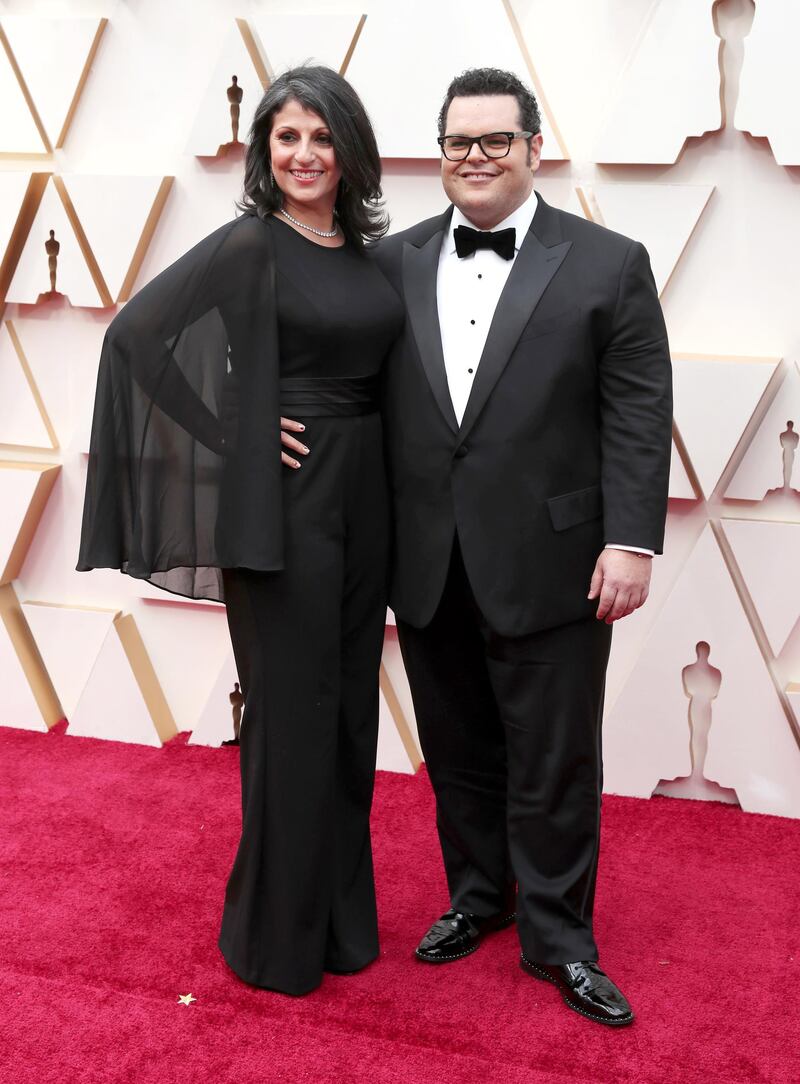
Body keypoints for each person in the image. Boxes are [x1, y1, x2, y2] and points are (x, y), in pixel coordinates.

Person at [77, 66, 403, 996]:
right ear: (266, 150)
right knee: (291, 721)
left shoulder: (362, 253)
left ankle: (340, 925)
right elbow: (134, 339)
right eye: (286, 137)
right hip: (286, 510)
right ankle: (273, 939)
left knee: (346, 718)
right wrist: (239, 431)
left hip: (366, 500)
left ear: (349, 149)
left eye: (320, 137)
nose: (303, 154)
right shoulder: (249, 245)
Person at [374, 68, 672, 1026]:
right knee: (457, 748)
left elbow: (636, 410)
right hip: (425, 555)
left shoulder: (608, 260)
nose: (474, 158)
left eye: (494, 141)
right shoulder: (392, 261)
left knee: (552, 757)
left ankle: (559, 937)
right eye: (458, 142)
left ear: (534, 148)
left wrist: (632, 539)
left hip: (558, 556)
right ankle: (478, 896)